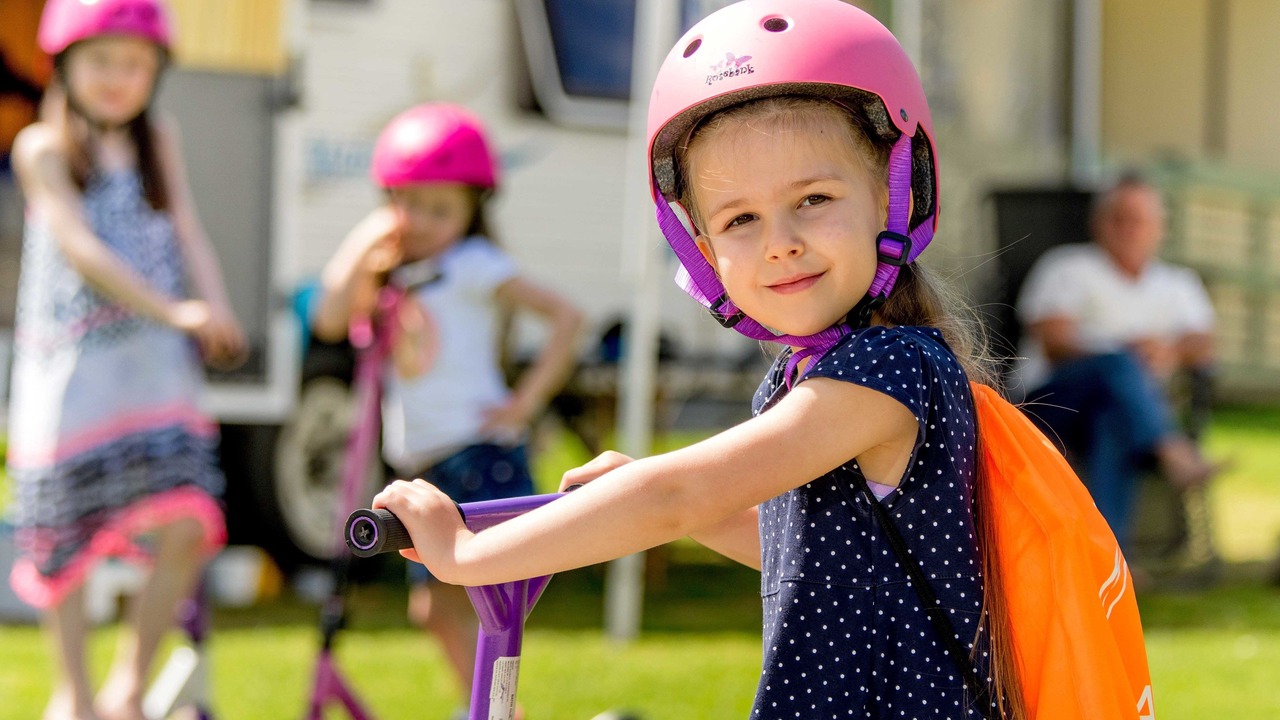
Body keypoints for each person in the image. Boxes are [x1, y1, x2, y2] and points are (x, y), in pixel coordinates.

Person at [373, 1, 1025, 717]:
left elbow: (677, 494)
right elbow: (811, 562)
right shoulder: (799, 378)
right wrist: (657, 497)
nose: (779, 241)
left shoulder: (888, 372)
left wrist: (464, 556)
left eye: (813, 198)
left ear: (891, 197)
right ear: (704, 249)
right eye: (740, 218)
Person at [6, 1, 246, 719]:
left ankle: (129, 687)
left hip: (152, 368)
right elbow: (80, 247)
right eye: (102, 62)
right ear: (65, 65)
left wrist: (217, 305)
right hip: (71, 371)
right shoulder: (41, 148)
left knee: (185, 517)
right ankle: (74, 694)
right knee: (64, 545)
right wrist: (172, 309)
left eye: (135, 65)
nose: (118, 79)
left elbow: (188, 230)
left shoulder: (155, 141)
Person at [312, 102, 583, 717]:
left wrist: (524, 403)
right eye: (411, 204)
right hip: (424, 466)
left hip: (478, 452)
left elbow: (566, 317)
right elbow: (330, 318)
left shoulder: (473, 266)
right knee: (433, 609)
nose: (425, 221)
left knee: (489, 603)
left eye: (443, 208)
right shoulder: (394, 276)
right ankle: (488, 707)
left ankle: (494, 709)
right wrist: (370, 239)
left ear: (473, 209)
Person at [1015, 173, 1221, 551]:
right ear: (1098, 222)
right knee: (1118, 364)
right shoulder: (1066, 266)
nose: (1129, 228)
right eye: (1118, 217)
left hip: (1121, 413)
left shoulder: (1178, 283)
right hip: (1050, 403)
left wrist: (1170, 351)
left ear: (1159, 228)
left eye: (1139, 219)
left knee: (1112, 418)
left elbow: (1204, 342)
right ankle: (1173, 450)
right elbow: (1054, 340)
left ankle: (1111, 559)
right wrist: (1127, 354)